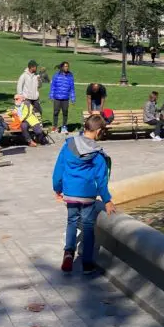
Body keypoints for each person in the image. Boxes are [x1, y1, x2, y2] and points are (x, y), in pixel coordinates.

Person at [53, 114, 115, 274]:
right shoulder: (98, 154)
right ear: (98, 131)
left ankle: (68, 253)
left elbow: (59, 170)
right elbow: (101, 180)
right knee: (88, 226)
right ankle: (87, 263)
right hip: (88, 195)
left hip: (70, 193)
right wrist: (107, 200)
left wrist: (57, 188)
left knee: (72, 221)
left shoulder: (68, 146)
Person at [50, 61, 76, 134]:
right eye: (65, 66)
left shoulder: (70, 76)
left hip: (65, 98)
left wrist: (73, 98)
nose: (66, 68)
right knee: (56, 112)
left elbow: (72, 88)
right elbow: (53, 86)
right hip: (57, 97)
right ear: (62, 67)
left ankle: (64, 127)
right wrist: (51, 95)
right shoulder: (56, 76)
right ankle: (54, 127)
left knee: (65, 112)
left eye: (67, 66)